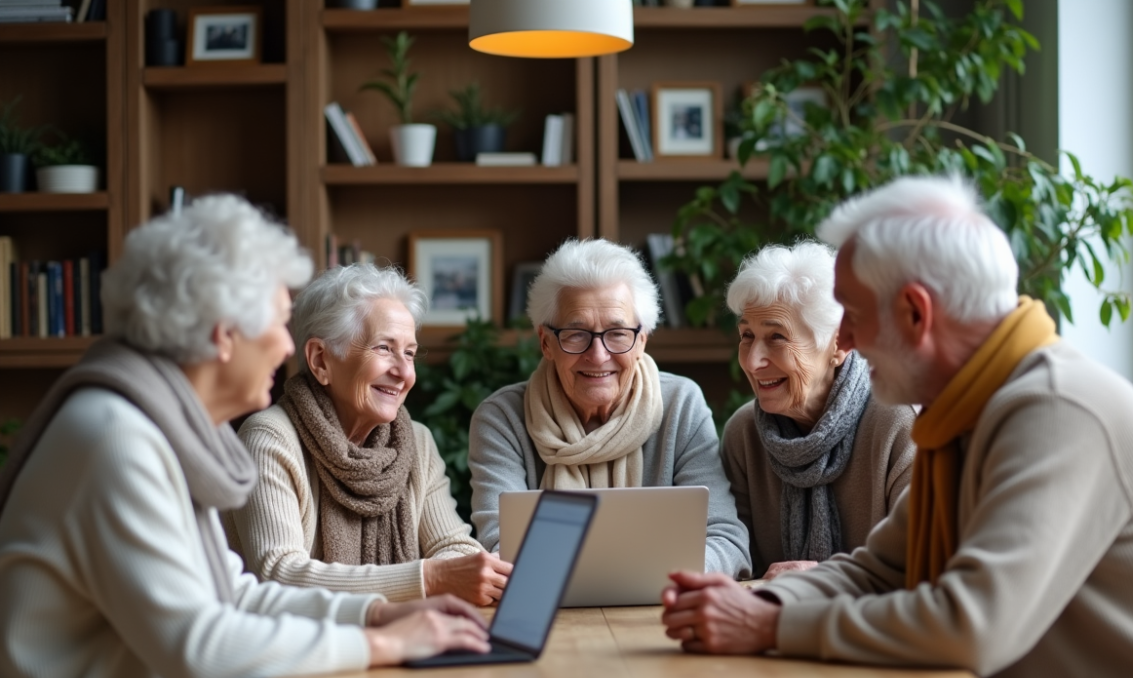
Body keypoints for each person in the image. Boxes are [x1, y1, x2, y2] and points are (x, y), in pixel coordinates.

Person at [660, 176, 1133, 678]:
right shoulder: (961, 415)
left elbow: (970, 627)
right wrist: (758, 601)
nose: (846, 340)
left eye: (852, 315)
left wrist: (770, 624)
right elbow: (882, 570)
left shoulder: (1057, 410)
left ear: (915, 313)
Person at [0, 196, 489, 678]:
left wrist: (376, 615)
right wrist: (380, 646)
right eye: (278, 323)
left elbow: (233, 594)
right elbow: (198, 648)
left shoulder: (161, 428)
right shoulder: (115, 439)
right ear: (225, 334)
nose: (286, 347)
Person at [223, 264, 510, 607]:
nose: (404, 372)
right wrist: (430, 579)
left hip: (395, 632)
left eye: (409, 353)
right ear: (320, 360)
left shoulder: (416, 442)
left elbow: (454, 546)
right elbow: (278, 574)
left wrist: (462, 570)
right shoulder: (269, 439)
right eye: (384, 348)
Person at [468, 238, 751, 577]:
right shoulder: (502, 419)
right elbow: (502, 550)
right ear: (546, 342)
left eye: (617, 333)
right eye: (576, 334)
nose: (598, 355)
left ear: (641, 340)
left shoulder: (680, 404)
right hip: (545, 603)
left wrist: (658, 579)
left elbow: (725, 539)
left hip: (664, 600)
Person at [721, 242, 915, 579]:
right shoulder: (744, 434)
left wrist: (826, 578)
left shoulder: (899, 423)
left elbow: (925, 564)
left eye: (777, 337)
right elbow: (737, 563)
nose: (752, 361)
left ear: (839, 344)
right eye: (747, 335)